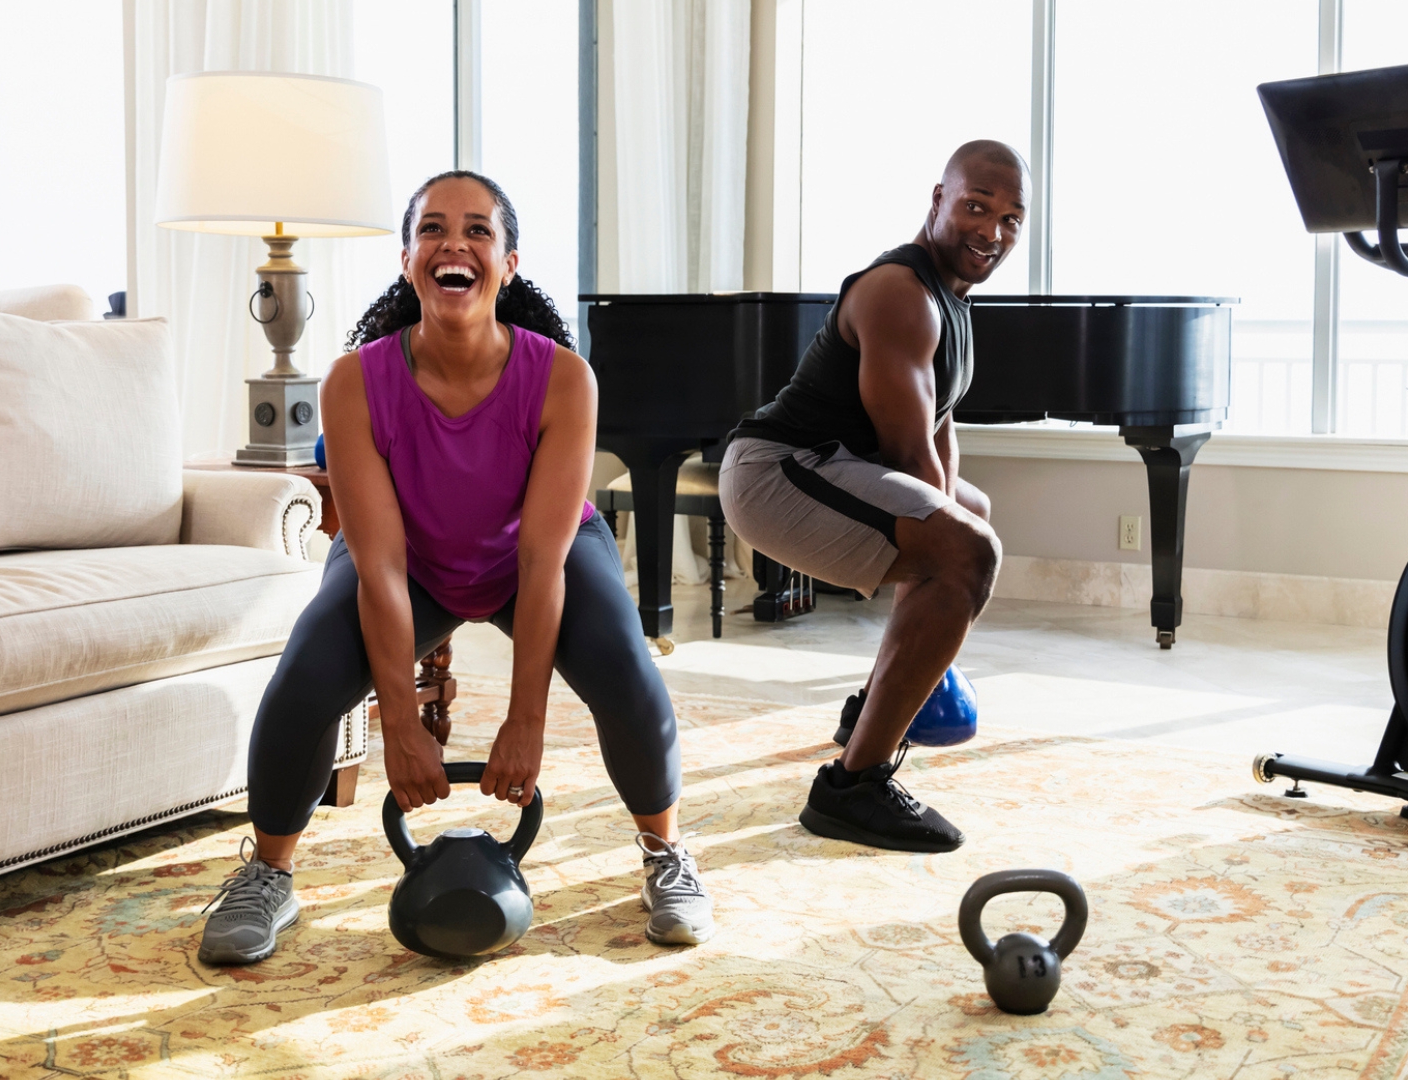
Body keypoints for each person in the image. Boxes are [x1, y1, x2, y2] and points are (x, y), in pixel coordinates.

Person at [197, 171, 714, 965]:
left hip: (539, 554)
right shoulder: (355, 381)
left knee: (624, 667)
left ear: (508, 264)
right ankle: (269, 874)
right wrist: (399, 725)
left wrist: (526, 721)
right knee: (306, 674)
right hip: (410, 562)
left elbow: (543, 563)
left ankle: (666, 853)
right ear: (408, 260)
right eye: (433, 229)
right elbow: (380, 567)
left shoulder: (564, 379)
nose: (455, 244)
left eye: (479, 230)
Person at [719, 140, 1024, 853]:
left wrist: (942, 601)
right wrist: (947, 600)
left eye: (1011, 218)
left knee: (969, 520)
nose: (992, 231)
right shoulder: (899, 293)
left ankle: (870, 713)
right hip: (776, 471)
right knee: (965, 552)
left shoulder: (953, 300)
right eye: (977, 206)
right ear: (938, 200)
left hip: (829, 465)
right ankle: (854, 787)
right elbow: (910, 456)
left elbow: (941, 437)